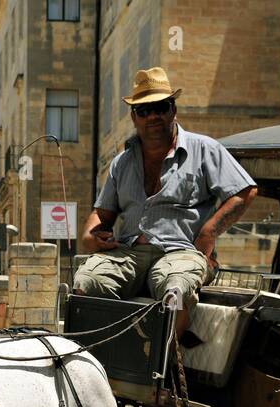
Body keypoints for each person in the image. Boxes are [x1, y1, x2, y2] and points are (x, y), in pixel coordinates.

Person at [75, 67, 258, 345]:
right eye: (144, 110)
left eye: (160, 107)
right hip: (129, 252)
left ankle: (163, 367)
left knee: (176, 290)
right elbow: (102, 214)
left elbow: (245, 191)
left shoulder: (204, 149)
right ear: (134, 116)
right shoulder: (122, 162)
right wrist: (90, 236)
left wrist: (208, 235)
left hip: (180, 252)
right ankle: (101, 360)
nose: (153, 116)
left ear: (173, 110)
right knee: (85, 282)